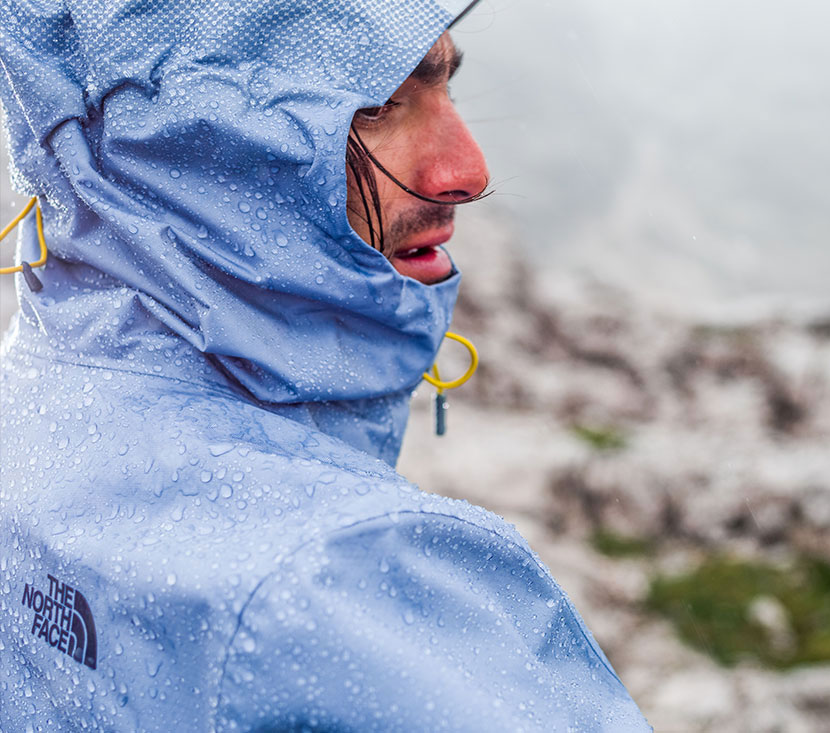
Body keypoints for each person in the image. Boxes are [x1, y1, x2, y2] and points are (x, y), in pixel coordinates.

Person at [0, 1, 651, 730]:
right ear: (189, 143)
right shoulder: (341, 582)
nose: (466, 170)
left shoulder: (29, 399)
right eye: (376, 105)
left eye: (446, 86)